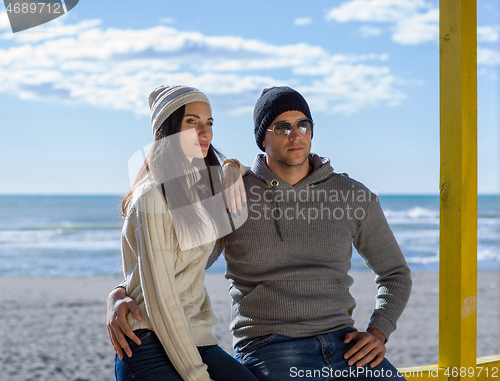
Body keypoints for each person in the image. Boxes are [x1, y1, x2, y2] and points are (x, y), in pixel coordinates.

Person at [108, 86, 412, 380]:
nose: (296, 135)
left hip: (346, 344)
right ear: (261, 138)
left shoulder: (352, 195)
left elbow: (395, 272)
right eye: (282, 127)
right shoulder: (234, 195)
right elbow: (179, 262)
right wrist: (120, 293)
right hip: (271, 346)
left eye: (304, 125)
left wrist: (378, 331)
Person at [112, 84, 259, 381]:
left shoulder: (199, 192)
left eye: (209, 123)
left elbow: (239, 205)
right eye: (191, 122)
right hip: (149, 339)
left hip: (197, 337)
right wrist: (196, 376)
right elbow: (161, 300)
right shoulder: (151, 197)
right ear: (169, 130)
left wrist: (231, 167)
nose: (204, 132)